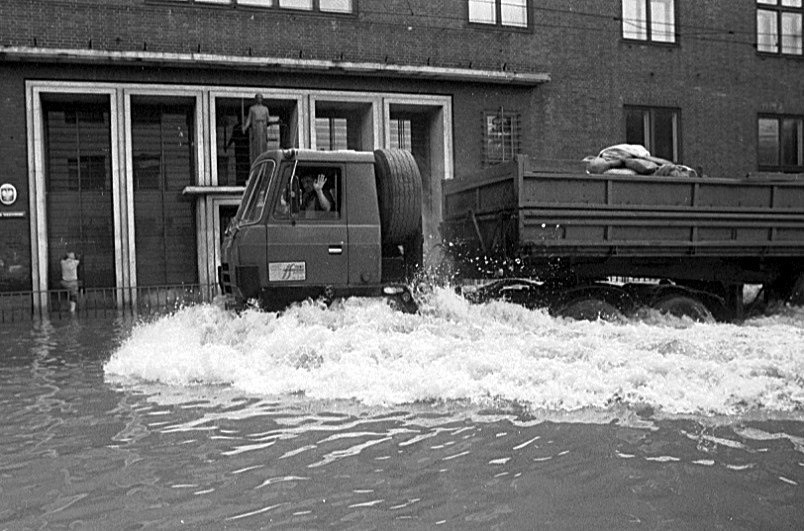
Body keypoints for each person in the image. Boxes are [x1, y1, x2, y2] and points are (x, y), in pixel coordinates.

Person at [243, 94, 278, 164]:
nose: (259, 99)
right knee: (256, 147)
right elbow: (249, 120)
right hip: (256, 128)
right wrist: (245, 127)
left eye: (260, 98)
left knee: (263, 146)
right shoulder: (252, 108)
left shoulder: (265, 109)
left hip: (263, 129)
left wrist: (276, 122)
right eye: (258, 98)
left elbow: (268, 120)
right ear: (256, 99)